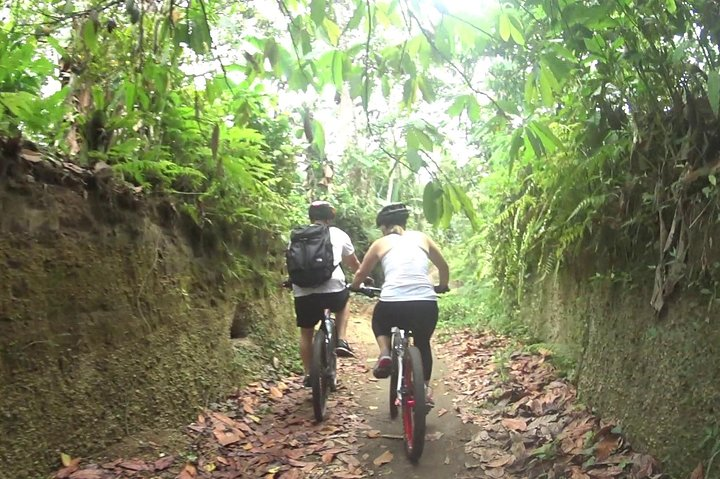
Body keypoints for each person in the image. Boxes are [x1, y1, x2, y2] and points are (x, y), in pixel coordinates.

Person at [350, 203, 449, 405]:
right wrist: (442, 285)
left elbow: (361, 273)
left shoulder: (380, 243)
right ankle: (424, 391)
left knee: (379, 321)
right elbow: (443, 266)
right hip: (425, 303)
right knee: (422, 344)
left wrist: (355, 286)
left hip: (393, 303)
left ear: (384, 227)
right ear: (405, 222)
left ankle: (385, 352)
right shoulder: (422, 238)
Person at [290, 200, 360, 387]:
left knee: (306, 333)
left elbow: (291, 261)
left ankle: (307, 374)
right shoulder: (338, 234)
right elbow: (352, 262)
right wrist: (363, 278)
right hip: (333, 288)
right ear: (330, 217)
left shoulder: (297, 236)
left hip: (303, 290)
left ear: (311, 217)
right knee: (344, 302)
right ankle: (342, 340)